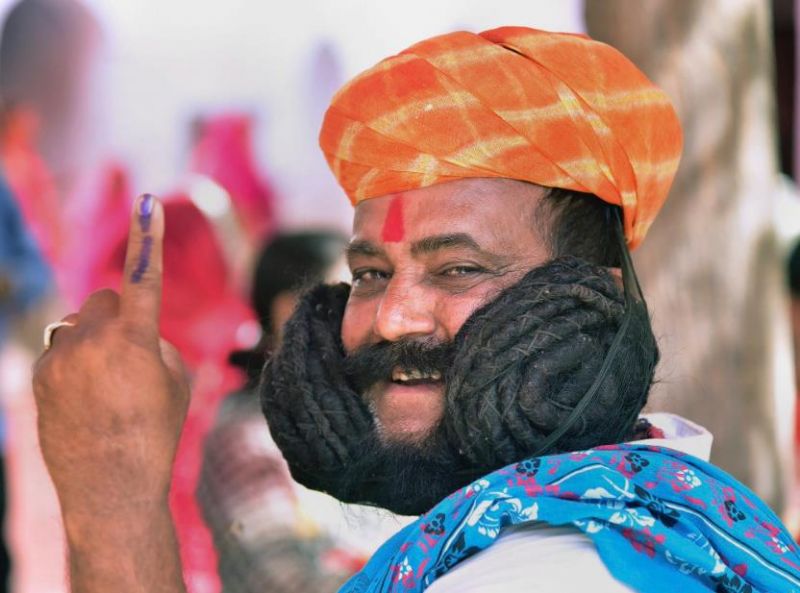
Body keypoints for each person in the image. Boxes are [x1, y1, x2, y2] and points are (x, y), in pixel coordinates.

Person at [31, 27, 800, 593]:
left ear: (594, 290)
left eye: (458, 268)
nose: (393, 318)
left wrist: (113, 495)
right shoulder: (653, 510)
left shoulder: (549, 573)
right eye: (369, 272)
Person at [198, 231, 378, 593]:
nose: (372, 318)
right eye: (348, 298)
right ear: (289, 313)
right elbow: (283, 580)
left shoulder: (359, 412)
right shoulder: (246, 437)